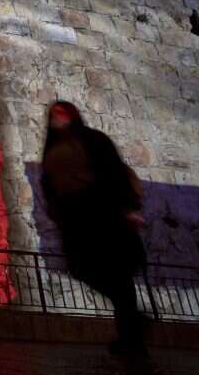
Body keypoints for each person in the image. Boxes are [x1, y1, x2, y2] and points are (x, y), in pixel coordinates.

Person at [40, 101, 148, 354]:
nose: (58, 117)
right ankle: (132, 321)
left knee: (116, 273)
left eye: (63, 112)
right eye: (54, 113)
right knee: (83, 269)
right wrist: (55, 210)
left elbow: (113, 171)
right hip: (74, 217)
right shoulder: (52, 148)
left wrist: (127, 207)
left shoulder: (93, 140)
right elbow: (48, 183)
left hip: (100, 210)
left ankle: (130, 337)